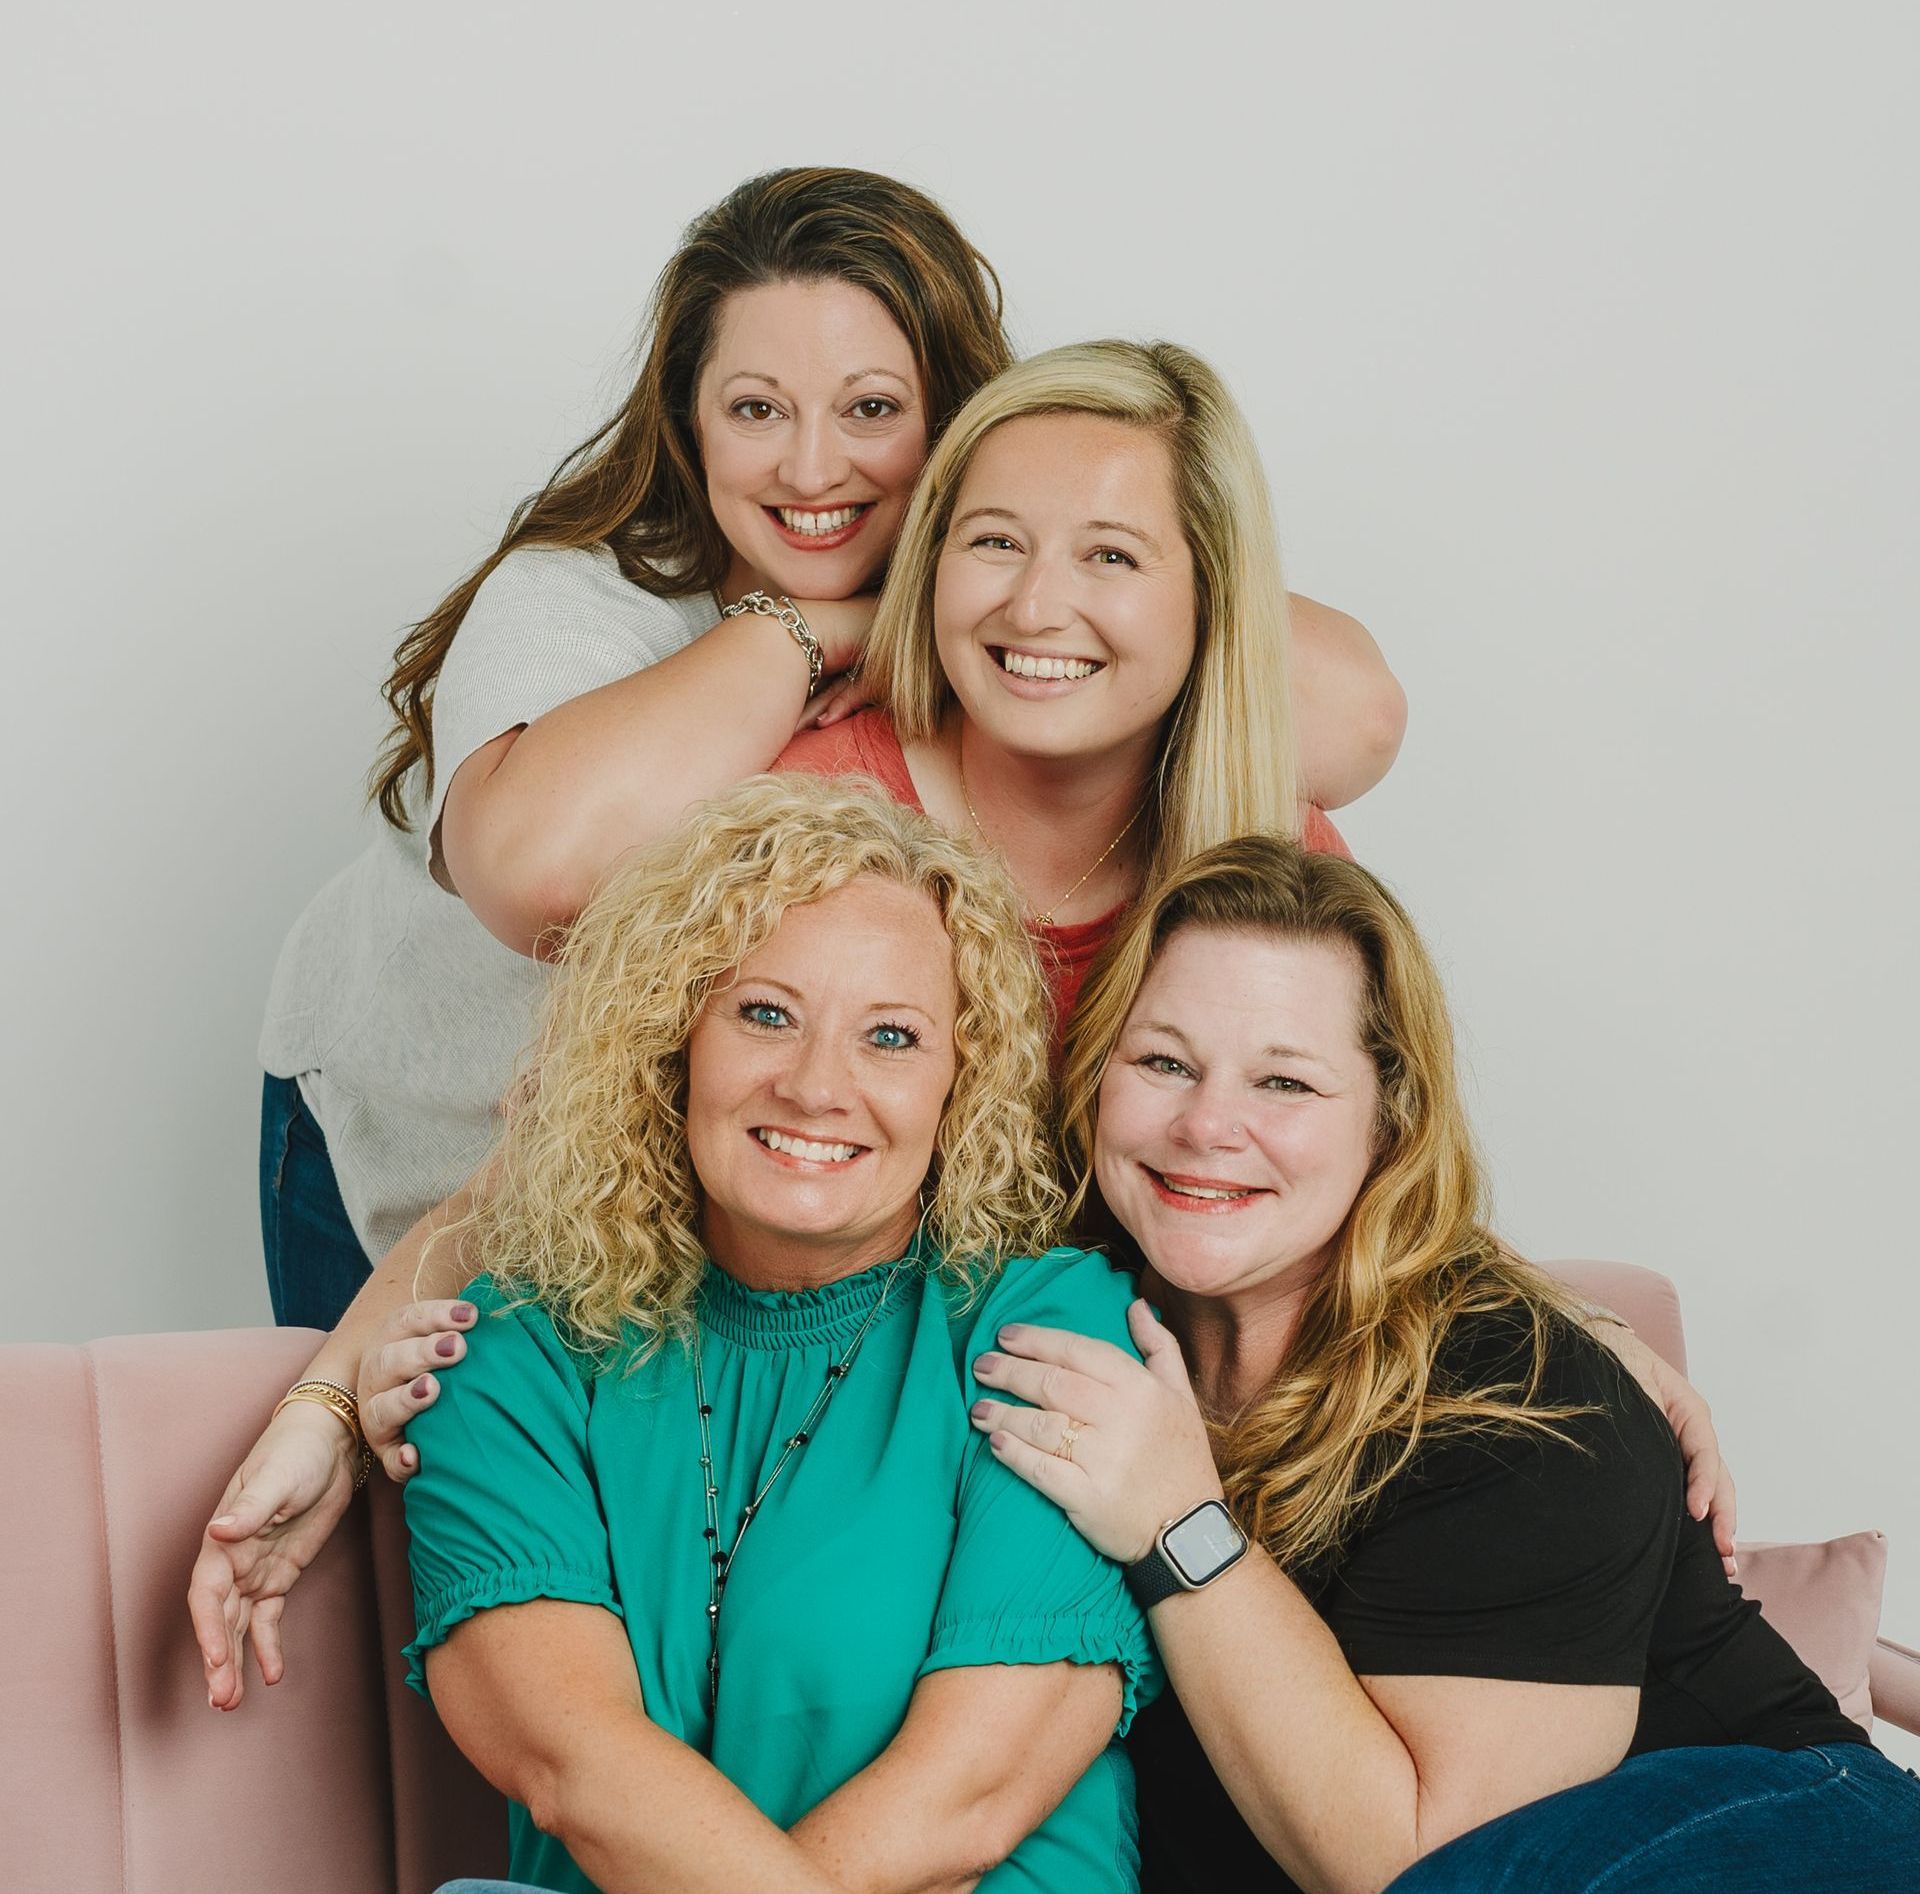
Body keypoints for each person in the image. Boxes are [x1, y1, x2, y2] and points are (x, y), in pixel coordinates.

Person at [259, 166, 1402, 1331]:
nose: (813, 469)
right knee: (400, 1442)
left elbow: (1353, 718)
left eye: (870, 408)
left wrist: (1004, 598)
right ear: (689, 419)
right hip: (423, 1111)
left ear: (957, 422)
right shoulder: (589, 604)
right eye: (757, 409)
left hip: (733, 1158)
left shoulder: (1007, 585)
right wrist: (829, 630)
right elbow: (539, 877)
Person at [972, 835, 1920, 1891]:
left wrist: (1176, 1524)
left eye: (1284, 1080)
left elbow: (1418, 1861)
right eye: (1163, 1062)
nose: (1206, 1124)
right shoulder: (1061, 1321)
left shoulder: (1532, 1410)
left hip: (1756, 1845)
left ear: (1390, 1123)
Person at [400, 775, 1159, 1892]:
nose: (816, 1087)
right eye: (765, 1013)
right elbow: (576, 1769)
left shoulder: (1047, 1327)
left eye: (891, 1037)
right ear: (674, 1036)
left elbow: (973, 1795)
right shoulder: (512, 1358)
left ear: (964, 1078)